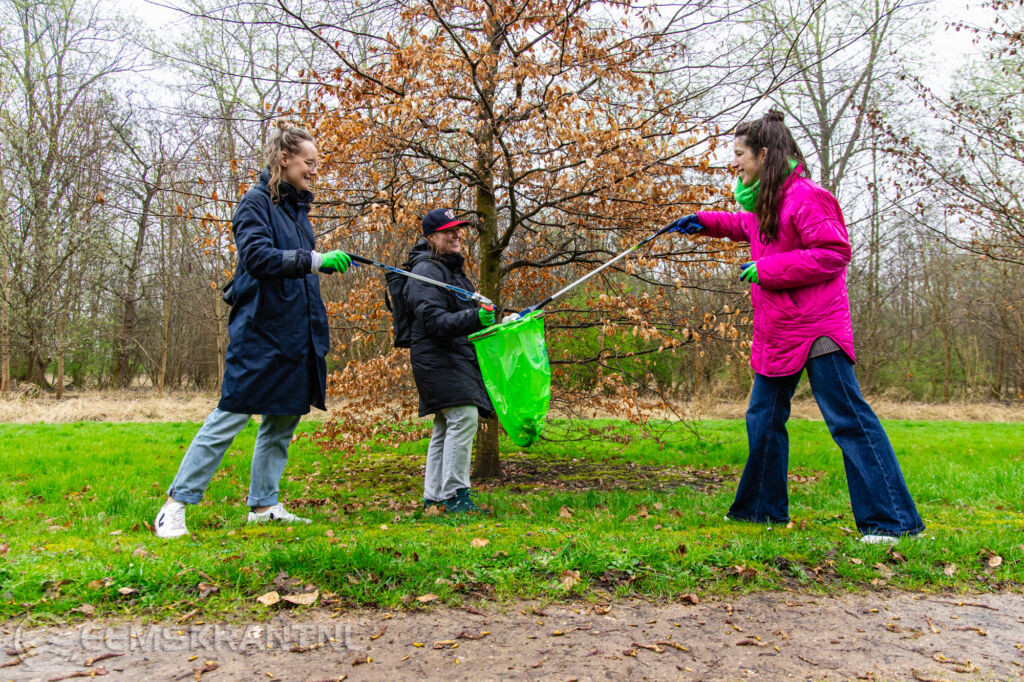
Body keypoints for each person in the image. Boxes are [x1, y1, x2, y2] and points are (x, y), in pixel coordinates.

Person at [669, 110, 924, 544]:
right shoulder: (767, 199)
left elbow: (833, 253)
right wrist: (705, 221)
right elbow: (748, 226)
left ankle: (893, 522)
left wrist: (768, 270)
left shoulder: (807, 197)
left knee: (848, 419)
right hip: (779, 331)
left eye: (740, 154)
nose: (734, 162)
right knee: (763, 418)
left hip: (818, 329)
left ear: (764, 154)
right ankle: (760, 510)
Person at [154, 120, 352, 538]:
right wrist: (315, 260)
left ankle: (264, 506)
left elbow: (298, 278)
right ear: (284, 158)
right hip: (259, 334)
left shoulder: (298, 213)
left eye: (316, 163)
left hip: (297, 336)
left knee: (282, 422)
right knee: (229, 417)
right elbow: (259, 258)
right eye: (309, 162)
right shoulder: (254, 203)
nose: (314, 170)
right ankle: (174, 506)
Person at [404, 208, 496, 513]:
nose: (457, 235)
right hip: (437, 357)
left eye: (458, 229)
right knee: (464, 416)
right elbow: (434, 321)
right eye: (448, 231)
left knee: (446, 424)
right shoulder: (426, 270)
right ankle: (456, 496)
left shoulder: (451, 270)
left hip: (454, 356)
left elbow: (467, 315)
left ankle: (435, 498)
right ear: (432, 237)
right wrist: (475, 317)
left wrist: (489, 317)